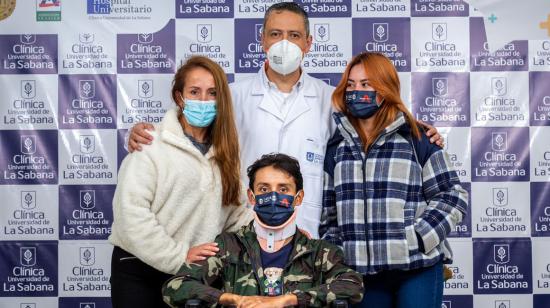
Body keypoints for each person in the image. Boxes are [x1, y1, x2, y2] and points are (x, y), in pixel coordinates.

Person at [125, 3, 443, 239]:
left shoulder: (330, 99)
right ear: (263, 40)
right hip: (241, 232)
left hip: (306, 235)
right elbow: (187, 133)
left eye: (293, 35)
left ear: (308, 43)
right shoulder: (232, 96)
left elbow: (371, 131)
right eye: (276, 34)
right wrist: (141, 131)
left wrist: (416, 129)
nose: (284, 43)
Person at [318, 52, 468, 308]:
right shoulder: (336, 148)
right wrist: (340, 257)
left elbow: (451, 196)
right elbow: (329, 215)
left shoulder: (417, 139)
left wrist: (419, 237)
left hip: (417, 267)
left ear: (385, 88)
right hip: (362, 274)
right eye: (351, 85)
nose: (356, 91)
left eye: (366, 84)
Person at [108, 56, 253, 308]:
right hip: (138, 271)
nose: (203, 100)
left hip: (193, 277)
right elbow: (130, 214)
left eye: (212, 93)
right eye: (194, 92)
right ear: (179, 97)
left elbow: (237, 217)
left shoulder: (227, 153)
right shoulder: (150, 143)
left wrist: (283, 233)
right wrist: (178, 256)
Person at [162, 153, 364, 308]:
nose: (273, 197)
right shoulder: (228, 245)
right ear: (251, 197)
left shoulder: (320, 252)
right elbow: (176, 286)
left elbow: (353, 285)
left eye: (283, 189)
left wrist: (287, 300)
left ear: (299, 198)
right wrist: (232, 299)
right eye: (264, 189)